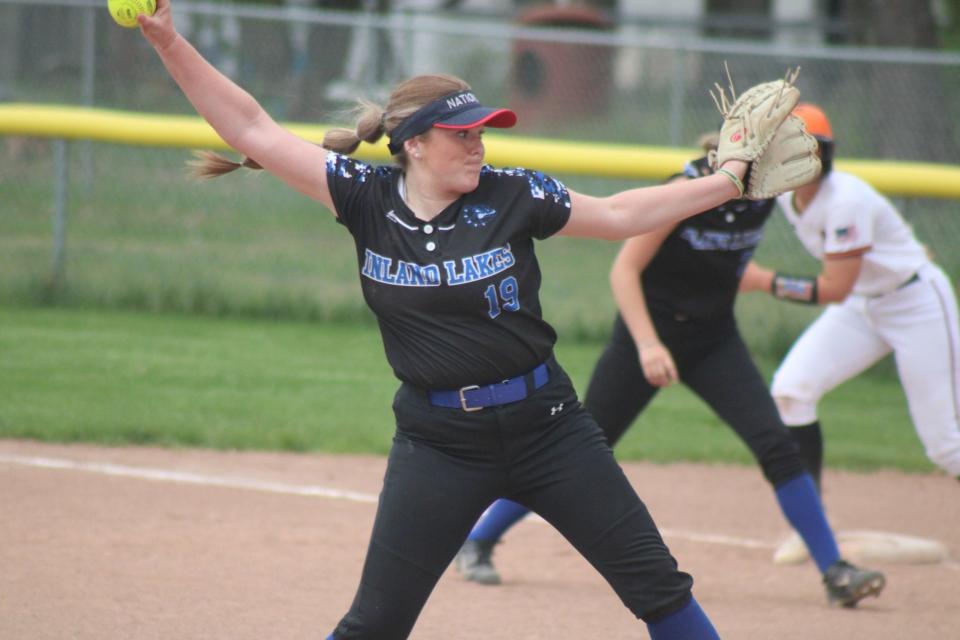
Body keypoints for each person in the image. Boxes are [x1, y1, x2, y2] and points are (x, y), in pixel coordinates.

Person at [135, 2, 768, 636]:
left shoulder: (511, 194)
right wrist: (167, 41)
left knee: (659, 589)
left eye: (481, 132)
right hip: (438, 443)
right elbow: (250, 128)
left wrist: (729, 180)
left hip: (549, 428)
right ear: (414, 143)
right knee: (375, 623)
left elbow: (622, 215)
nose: (478, 144)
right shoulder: (365, 196)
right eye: (461, 134)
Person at [456, 135, 886, 608]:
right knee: (572, 452)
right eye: (778, 156)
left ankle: (834, 571)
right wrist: (647, 344)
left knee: (776, 444)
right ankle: (479, 539)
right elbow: (624, 270)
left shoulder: (764, 197)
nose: (789, 168)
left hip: (714, 340)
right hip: (648, 335)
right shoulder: (688, 188)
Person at [738, 103, 960, 488]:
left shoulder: (844, 200)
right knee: (792, 391)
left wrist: (762, 280)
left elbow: (835, 289)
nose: (807, 159)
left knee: (945, 445)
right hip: (863, 303)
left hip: (915, 302)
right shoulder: (786, 195)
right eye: (796, 149)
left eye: (813, 149)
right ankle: (815, 523)